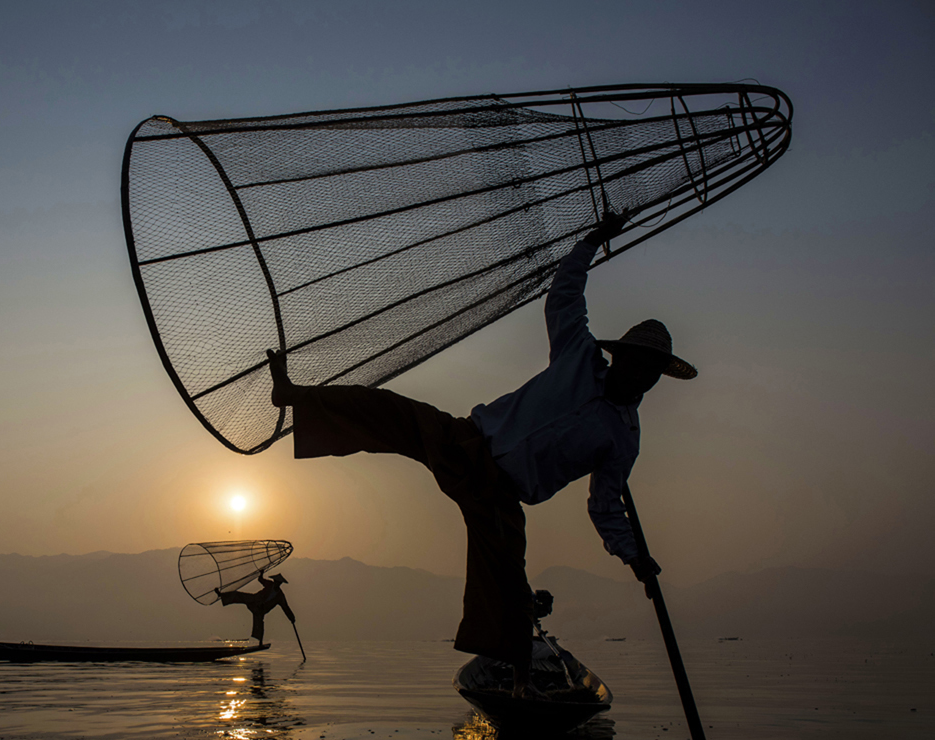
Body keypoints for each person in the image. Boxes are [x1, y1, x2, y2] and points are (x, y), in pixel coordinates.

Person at [267, 212, 696, 693]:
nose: (644, 374)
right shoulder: (579, 355)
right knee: (388, 410)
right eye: (639, 362)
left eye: (653, 370)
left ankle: (518, 683)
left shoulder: (622, 438)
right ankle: (294, 395)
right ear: (621, 357)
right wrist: (593, 240)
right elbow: (565, 295)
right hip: (467, 441)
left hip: (501, 496)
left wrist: (635, 557)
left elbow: (606, 505)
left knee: (510, 587)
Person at [215, 573, 295, 645]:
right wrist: (261, 574)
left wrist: (291, 618)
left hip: (260, 609)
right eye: (276, 581)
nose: (277, 583)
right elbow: (260, 580)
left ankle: (260, 643)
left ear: (280, 583)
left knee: (260, 625)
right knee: (239, 595)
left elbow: (285, 607)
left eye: (278, 582)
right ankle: (221, 595)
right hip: (255, 600)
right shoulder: (270, 584)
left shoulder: (280, 596)